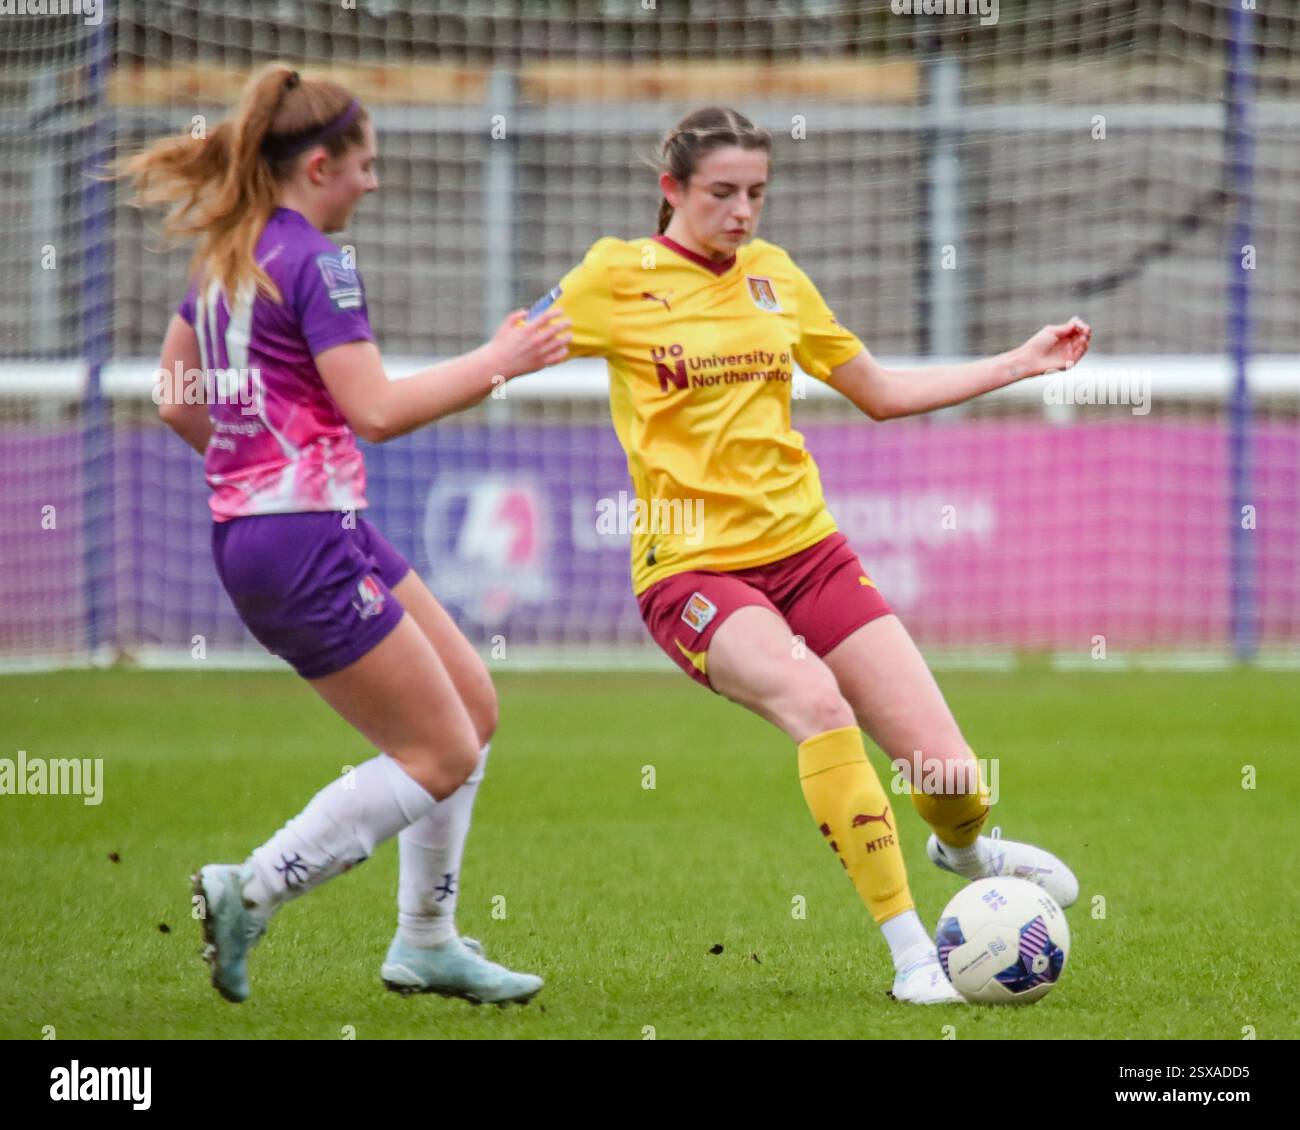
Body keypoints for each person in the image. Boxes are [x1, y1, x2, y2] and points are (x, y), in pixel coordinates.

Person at [537, 106, 1090, 1004]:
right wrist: (362, 394)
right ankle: (916, 958)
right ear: (671, 189)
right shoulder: (615, 278)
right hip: (692, 571)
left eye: (757, 192)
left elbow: (874, 391)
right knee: (816, 702)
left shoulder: (774, 279)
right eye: (722, 192)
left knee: (949, 775)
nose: (743, 211)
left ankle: (965, 848)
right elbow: (508, 350)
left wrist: (1016, 363)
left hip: (810, 553)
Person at [120, 63, 571, 1006]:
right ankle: (253, 887)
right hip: (300, 537)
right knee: (439, 753)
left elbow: (173, 396)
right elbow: (373, 410)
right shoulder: (319, 260)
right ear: (319, 164)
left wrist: (253, 462)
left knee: (472, 708)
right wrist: (500, 361)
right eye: (364, 165)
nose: (373, 182)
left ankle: (427, 941)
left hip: (293, 528)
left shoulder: (227, 254)